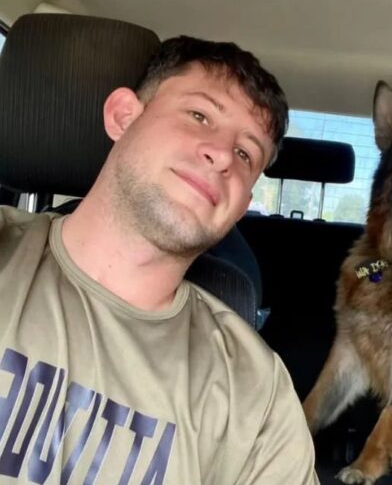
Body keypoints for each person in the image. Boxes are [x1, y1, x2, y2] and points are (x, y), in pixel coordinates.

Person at [0, 36, 319, 484]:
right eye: (200, 115)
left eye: (246, 154)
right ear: (123, 116)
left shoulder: (255, 394)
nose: (223, 156)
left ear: (241, 206)